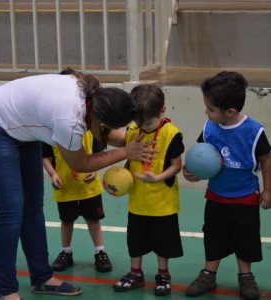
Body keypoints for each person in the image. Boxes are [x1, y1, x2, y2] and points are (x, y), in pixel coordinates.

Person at [0, 70, 157, 300]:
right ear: (102, 119)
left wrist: (143, 139)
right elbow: (82, 163)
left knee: (32, 208)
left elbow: (106, 132)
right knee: (10, 211)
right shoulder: (69, 119)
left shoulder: (96, 95)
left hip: (21, 128)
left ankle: (42, 278)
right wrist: (126, 152)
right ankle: (6, 291)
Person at [183, 71, 271, 300]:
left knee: (246, 238)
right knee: (213, 236)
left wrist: (268, 189)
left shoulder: (254, 131)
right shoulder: (210, 128)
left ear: (230, 111)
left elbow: (266, 159)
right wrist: (190, 170)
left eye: (210, 109)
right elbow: (201, 156)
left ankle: (246, 276)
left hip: (244, 197)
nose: (206, 112)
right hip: (216, 196)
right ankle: (208, 273)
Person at [113, 84, 185, 296]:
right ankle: (136, 273)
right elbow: (129, 160)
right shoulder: (133, 131)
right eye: (138, 122)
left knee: (163, 244)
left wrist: (158, 178)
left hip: (163, 204)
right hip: (137, 202)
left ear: (162, 110)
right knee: (135, 241)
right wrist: (120, 179)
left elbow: (176, 165)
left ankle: (163, 274)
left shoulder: (171, 134)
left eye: (148, 122)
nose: (143, 126)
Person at [42, 131, 112, 273]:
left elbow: (99, 154)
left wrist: (95, 169)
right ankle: (66, 252)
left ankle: (100, 251)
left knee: (93, 220)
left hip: (89, 187)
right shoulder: (52, 130)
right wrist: (52, 174)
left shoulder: (90, 129)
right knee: (66, 220)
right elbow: (44, 156)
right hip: (64, 186)